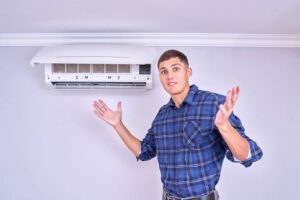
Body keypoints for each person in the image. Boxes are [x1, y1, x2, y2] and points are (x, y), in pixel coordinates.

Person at [93, 49, 263, 200]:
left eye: (175, 69)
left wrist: (224, 126)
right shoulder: (162, 115)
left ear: (188, 72)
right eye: (163, 71)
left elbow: (246, 155)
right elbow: (144, 151)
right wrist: (118, 125)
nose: (169, 76)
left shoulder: (214, 104)